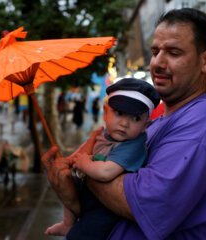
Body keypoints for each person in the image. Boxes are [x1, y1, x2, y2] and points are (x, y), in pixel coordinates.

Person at [41, 8, 206, 240]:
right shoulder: (154, 124)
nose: (158, 62)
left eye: (174, 53)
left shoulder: (205, 122)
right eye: (155, 51)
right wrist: (68, 185)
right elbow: (102, 206)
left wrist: (84, 167)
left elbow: (144, 203)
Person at [45, 78, 161, 239]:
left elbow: (106, 172)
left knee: (82, 235)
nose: (124, 123)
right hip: (90, 190)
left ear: (145, 125)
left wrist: (84, 163)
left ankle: (72, 231)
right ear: (105, 112)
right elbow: (85, 149)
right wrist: (70, 161)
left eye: (135, 118)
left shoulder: (133, 146)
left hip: (106, 207)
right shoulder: (105, 134)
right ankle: (67, 223)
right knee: (68, 181)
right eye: (119, 113)